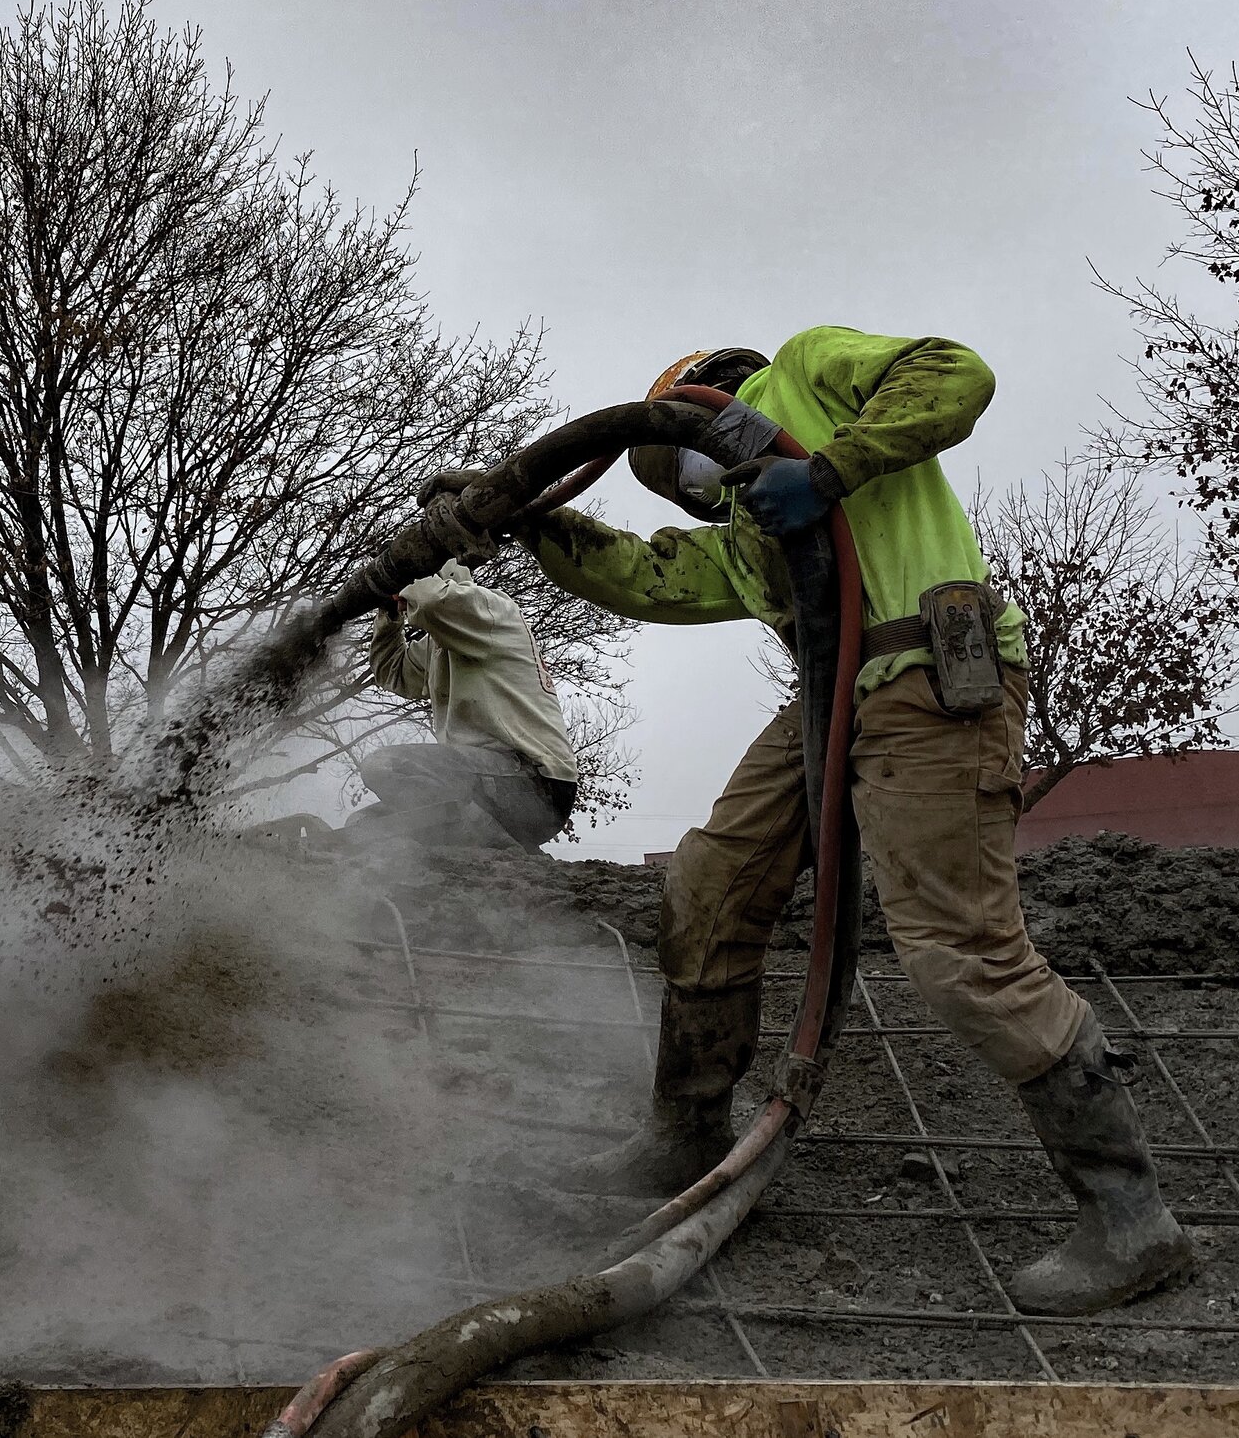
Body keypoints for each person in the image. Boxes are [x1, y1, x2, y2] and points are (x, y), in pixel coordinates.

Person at [454, 328, 1190, 1314]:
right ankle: (686, 1132)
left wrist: (831, 470)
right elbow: (647, 575)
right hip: (832, 698)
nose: (687, 493)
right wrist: (527, 519)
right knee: (710, 882)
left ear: (699, 399)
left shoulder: (805, 372)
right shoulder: (753, 538)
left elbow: (955, 373)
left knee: (961, 953)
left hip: (928, 670)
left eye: (673, 470)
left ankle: (1131, 1221)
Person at [356, 560, 579, 852]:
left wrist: (401, 573)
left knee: (385, 765)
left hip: (537, 785)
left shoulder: (493, 612)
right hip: (482, 785)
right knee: (364, 826)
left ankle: (502, 857)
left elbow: (432, 601)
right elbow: (392, 671)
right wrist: (388, 616)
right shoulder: (438, 644)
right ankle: (481, 849)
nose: (405, 602)